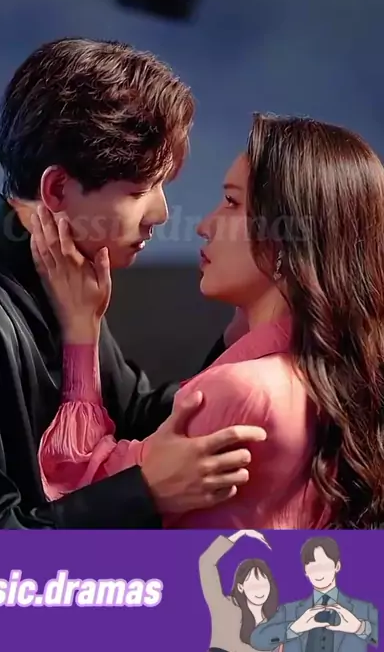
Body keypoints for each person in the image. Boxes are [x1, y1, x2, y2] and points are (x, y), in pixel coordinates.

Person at [0, 38, 264, 530]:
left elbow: (135, 413)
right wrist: (145, 490)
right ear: (56, 189)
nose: (161, 213)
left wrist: (252, 329)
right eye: (139, 190)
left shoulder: (63, 277)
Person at [31, 112, 384, 529]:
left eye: (232, 203)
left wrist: (80, 328)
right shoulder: (333, 377)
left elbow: (76, 481)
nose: (204, 225)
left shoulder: (243, 391)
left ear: (285, 239)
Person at [250, 536, 378, 650]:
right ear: (305, 571)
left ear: (337, 566)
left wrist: (360, 628)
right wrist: (295, 628)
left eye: (324, 565)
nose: (319, 572)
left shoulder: (363, 609)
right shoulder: (289, 611)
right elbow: (257, 639)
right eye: (313, 566)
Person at [199, 528, 278, 652]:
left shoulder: (274, 621)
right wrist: (241, 534)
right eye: (253, 585)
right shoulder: (225, 608)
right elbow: (206, 563)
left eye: (264, 584)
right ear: (241, 587)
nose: (259, 591)